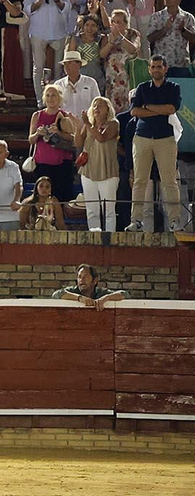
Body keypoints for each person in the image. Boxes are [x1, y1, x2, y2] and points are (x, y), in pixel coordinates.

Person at [127, 55, 183, 232]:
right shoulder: (142, 88)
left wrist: (148, 107)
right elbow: (134, 111)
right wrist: (159, 110)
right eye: (153, 67)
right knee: (140, 181)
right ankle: (136, 220)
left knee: (170, 181)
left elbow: (171, 109)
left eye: (159, 67)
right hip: (142, 137)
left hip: (165, 138)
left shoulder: (173, 87)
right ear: (149, 69)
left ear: (165, 68)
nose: (156, 70)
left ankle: (174, 220)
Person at [53, 263, 126, 307]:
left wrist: (106, 298)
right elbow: (56, 294)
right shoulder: (74, 290)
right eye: (79, 277)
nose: (81, 280)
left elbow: (125, 294)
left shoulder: (100, 292)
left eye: (85, 277)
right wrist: (79, 298)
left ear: (95, 281)